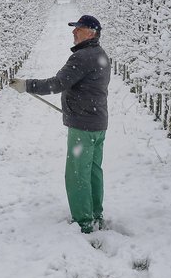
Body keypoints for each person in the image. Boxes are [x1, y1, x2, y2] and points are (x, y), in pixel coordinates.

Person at [9, 14, 111, 233]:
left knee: (77, 174)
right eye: (74, 28)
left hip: (83, 127)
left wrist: (26, 85)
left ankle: (84, 223)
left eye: (79, 28)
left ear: (91, 33)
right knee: (93, 171)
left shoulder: (83, 57)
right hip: (97, 123)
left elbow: (57, 84)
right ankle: (95, 214)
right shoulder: (100, 54)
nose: (74, 32)